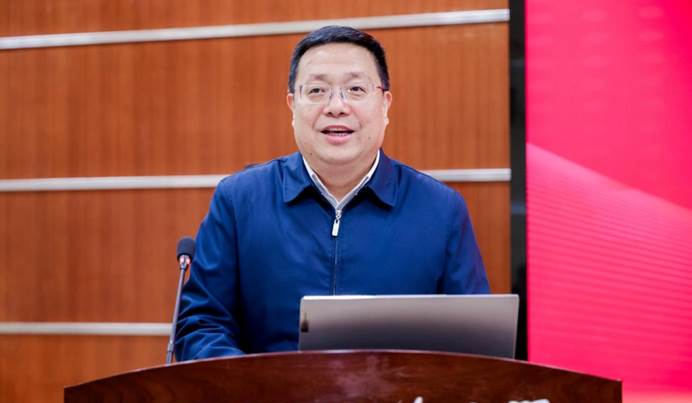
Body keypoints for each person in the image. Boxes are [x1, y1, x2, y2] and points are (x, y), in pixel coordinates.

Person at [175, 26, 489, 360]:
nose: (337, 106)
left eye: (355, 89)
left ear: (385, 105)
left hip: (399, 395)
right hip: (267, 394)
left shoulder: (440, 211)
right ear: (292, 106)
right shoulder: (239, 202)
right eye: (317, 90)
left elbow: (474, 343)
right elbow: (201, 325)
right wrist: (257, 384)